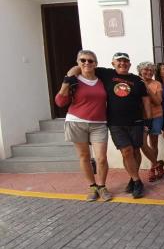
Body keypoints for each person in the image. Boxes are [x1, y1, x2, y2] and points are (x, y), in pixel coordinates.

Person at [68, 52, 151, 199]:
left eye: (125, 61)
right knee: (126, 151)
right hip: (115, 123)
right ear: (113, 63)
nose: (122, 64)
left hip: (136, 122)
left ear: (130, 64)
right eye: (119, 61)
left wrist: (148, 121)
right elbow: (79, 67)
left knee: (136, 151)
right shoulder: (105, 73)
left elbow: (145, 101)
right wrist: (68, 79)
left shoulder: (137, 80)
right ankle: (138, 182)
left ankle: (133, 178)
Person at [55, 50, 111, 202]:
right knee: (84, 156)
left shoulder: (101, 80)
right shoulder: (74, 80)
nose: (87, 63)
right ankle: (92, 186)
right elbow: (60, 102)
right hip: (76, 121)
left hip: (99, 124)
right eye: (83, 60)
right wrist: (66, 80)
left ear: (96, 64)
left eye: (90, 61)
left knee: (101, 158)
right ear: (78, 63)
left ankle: (102, 186)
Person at [137, 61, 164, 182]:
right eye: (145, 70)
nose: (148, 72)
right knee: (143, 144)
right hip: (141, 118)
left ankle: (153, 168)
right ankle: (157, 164)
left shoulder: (156, 84)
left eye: (151, 71)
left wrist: (147, 88)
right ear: (140, 71)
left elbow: (158, 101)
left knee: (154, 144)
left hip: (156, 116)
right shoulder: (135, 82)